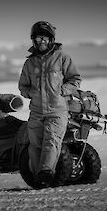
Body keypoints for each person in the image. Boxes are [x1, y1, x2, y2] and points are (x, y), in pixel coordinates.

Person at [18, 21, 81, 188]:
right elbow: (22, 86)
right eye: (38, 38)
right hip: (37, 111)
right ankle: (38, 177)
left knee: (51, 142)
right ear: (33, 40)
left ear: (51, 40)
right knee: (35, 145)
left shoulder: (62, 58)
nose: (41, 41)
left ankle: (45, 174)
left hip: (57, 110)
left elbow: (75, 79)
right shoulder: (29, 63)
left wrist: (63, 90)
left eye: (45, 38)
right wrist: (30, 93)